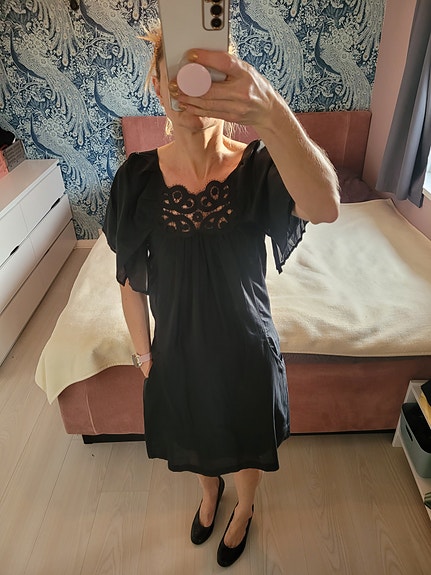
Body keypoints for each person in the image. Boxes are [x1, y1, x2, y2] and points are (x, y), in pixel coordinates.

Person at [103, 24, 339, 568]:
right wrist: (144, 358)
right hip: (177, 353)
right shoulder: (137, 180)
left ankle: (245, 506)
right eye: (175, 72)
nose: (189, 87)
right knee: (195, 438)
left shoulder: (259, 168)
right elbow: (129, 281)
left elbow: (326, 205)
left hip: (245, 351)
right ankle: (209, 494)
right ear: (156, 84)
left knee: (246, 440)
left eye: (207, 73)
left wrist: (271, 111)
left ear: (229, 83)